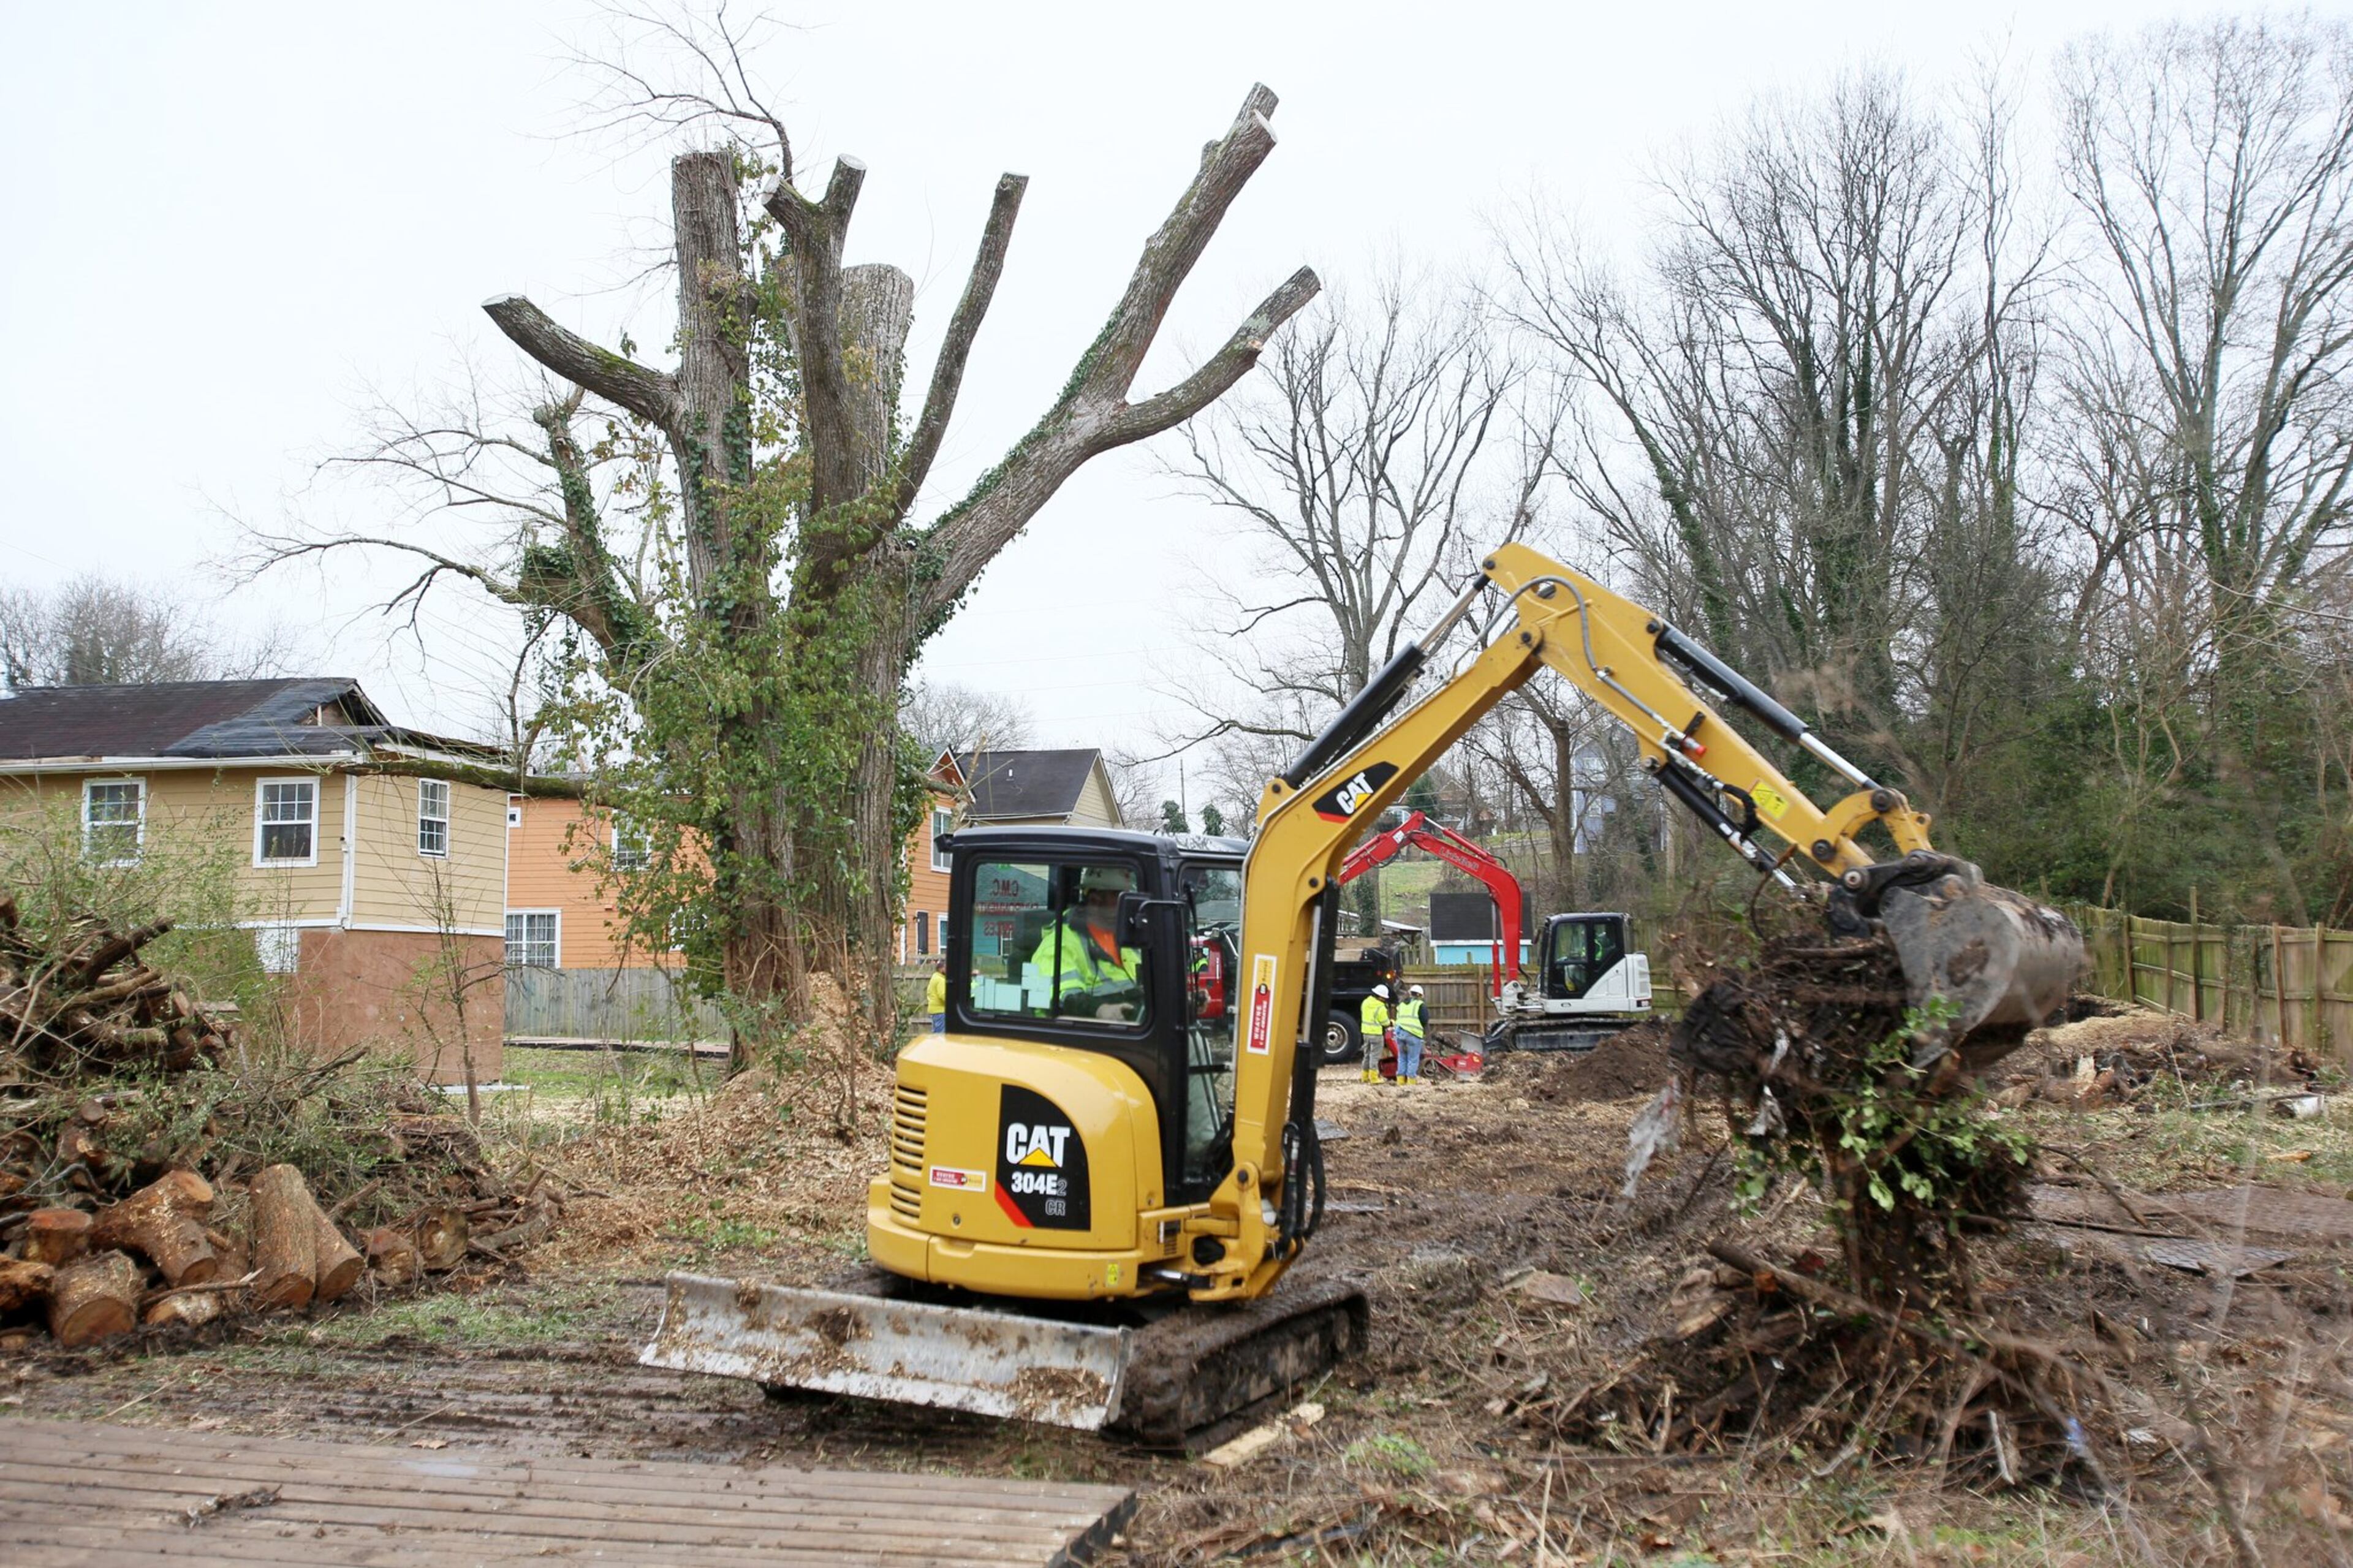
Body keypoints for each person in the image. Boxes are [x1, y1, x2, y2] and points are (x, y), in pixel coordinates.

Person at [1029, 865, 1145, 1020]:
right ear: (1095, 901)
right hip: (1078, 1037)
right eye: (1120, 898)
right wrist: (1101, 1010)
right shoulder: (1058, 945)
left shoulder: (1127, 939)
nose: (1128, 906)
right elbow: (1060, 996)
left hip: (1132, 1027)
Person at [1358, 983, 1392, 1084]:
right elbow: (1385, 1023)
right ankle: (1374, 1078)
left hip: (1366, 1033)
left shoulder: (1365, 1002)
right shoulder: (1381, 1007)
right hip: (1376, 1035)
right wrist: (1391, 1022)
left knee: (1367, 1055)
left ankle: (1364, 1077)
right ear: (1381, 997)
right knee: (1375, 1056)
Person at [1394, 983, 1427, 1084]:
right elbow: (1424, 1020)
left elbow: (1398, 1018)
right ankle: (1411, 1082)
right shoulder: (1420, 1005)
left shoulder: (1402, 1005)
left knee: (1402, 1058)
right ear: (1421, 995)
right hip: (1413, 1035)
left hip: (1400, 1034)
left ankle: (1400, 1081)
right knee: (1413, 1059)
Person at [925, 956, 949, 1033]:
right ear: (941, 969)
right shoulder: (941, 980)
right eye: (946, 968)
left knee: (936, 1034)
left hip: (934, 1011)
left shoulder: (935, 977)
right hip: (940, 1011)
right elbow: (943, 996)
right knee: (940, 1036)